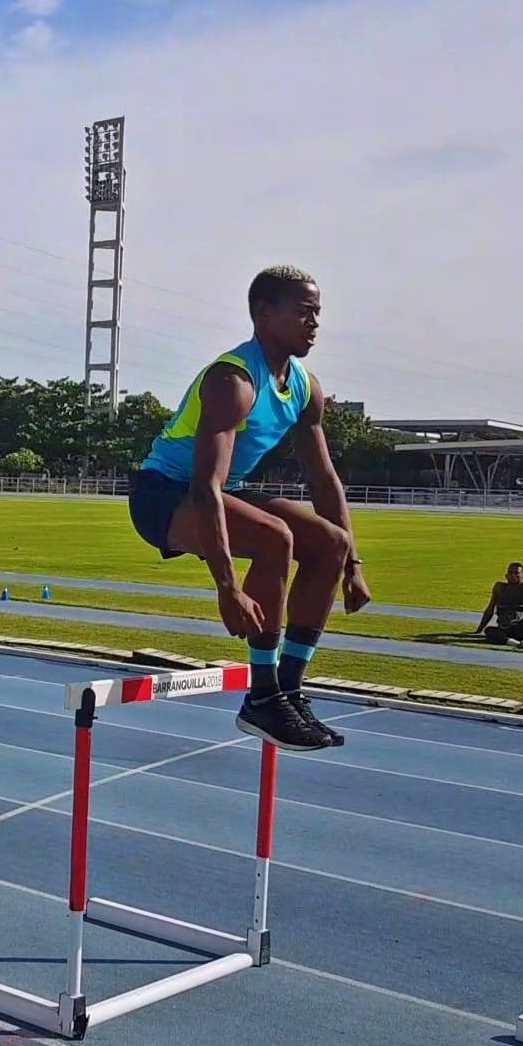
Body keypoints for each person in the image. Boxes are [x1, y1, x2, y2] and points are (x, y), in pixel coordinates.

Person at [128, 265, 371, 751]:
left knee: (331, 543)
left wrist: (353, 566)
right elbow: (204, 487)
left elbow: (324, 479)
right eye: (304, 312)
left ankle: (288, 690)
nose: (315, 324)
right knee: (274, 537)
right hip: (163, 494)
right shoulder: (232, 381)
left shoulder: (305, 388)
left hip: (220, 490)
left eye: (318, 313)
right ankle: (262, 697)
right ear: (263, 314)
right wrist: (227, 587)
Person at [475, 563, 523, 649]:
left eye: (516, 573)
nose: (513, 576)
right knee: (489, 631)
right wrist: (479, 630)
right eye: (510, 573)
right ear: (506, 575)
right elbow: (490, 609)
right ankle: (518, 644)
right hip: (506, 630)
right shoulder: (500, 588)